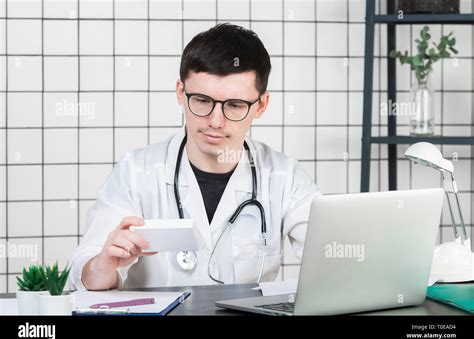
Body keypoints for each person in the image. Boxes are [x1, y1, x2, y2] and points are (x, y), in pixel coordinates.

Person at [68, 23, 321, 291]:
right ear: (181, 93)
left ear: (261, 105)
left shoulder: (284, 177)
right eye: (202, 100)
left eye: (234, 105)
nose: (215, 121)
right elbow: (86, 273)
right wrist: (102, 265)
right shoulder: (137, 172)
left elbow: (330, 257)